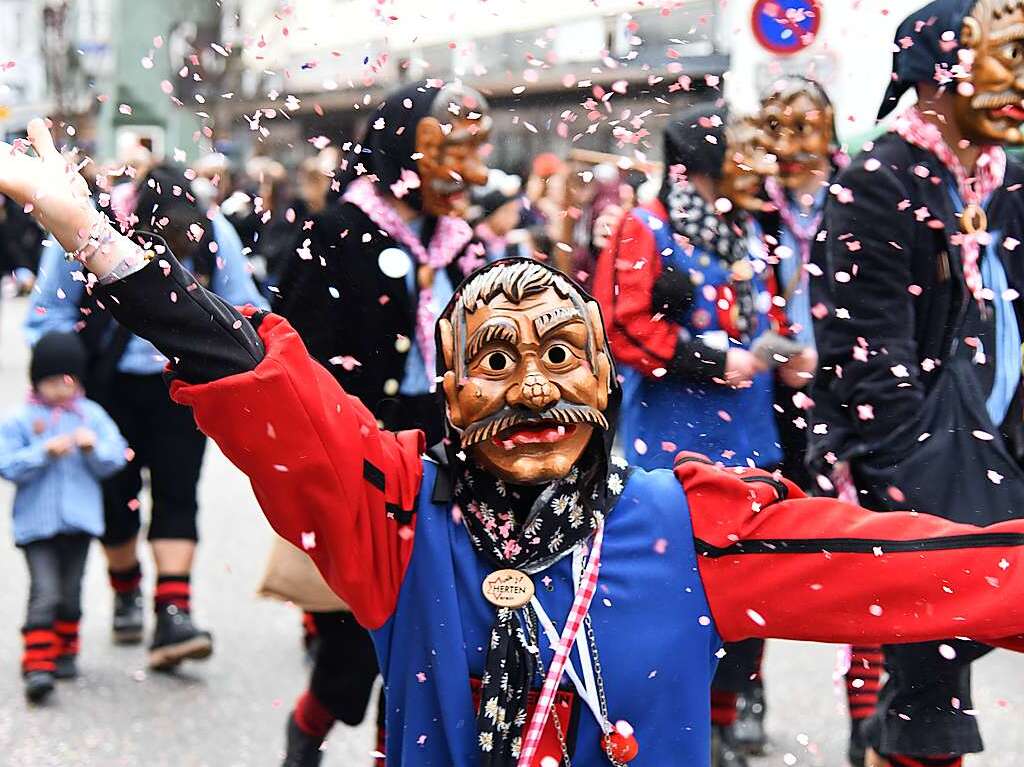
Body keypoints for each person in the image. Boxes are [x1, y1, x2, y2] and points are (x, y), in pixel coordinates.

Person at [10, 116, 1024, 767]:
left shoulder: (691, 524)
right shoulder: (395, 511)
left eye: (559, 354)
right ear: (447, 394)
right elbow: (265, 385)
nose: (532, 384)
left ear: (603, 377)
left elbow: (917, 567)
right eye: (495, 360)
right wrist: (91, 237)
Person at [809, 2, 1024, 766]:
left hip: (1004, 447)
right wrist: (914, 488)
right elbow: (865, 359)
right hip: (921, 464)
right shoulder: (877, 179)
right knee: (931, 681)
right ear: (941, 70)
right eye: (1009, 54)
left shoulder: (1009, 177)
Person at [272, 80, 491, 765]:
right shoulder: (338, 230)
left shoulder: (462, 241)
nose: (470, 173)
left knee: (435, 625)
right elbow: (297, 350)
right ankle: (308, 727)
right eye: (452, 152)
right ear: (406, 150)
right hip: (364, 438)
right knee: (356, 629)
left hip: (450, 442)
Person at [592, 104, 814, 767]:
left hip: (751, 435)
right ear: (706, 158)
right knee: (680, 593)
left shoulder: (749, 227)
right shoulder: (645, 226)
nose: (760, 163)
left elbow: (770, 308)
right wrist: (711, 360)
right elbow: (620, 324)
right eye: (746, 150)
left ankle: (729, 716)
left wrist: (789, 352)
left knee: (752, 580)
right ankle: (676, 726)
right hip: (673, 445)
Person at [24, 163, 268, 670]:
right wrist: (63, 373)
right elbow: (50, 308)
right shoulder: (86, 221)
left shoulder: (213, 228)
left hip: (185, 384)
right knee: (118, 496)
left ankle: (173, 612)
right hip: (107, 382)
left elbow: (242, 302)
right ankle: (127, 588)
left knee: (178, 492)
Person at [0, 331, 127, 703]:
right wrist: (42, 452)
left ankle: (65, 647)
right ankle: (37, 662)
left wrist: (92, 449)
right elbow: (6, 464)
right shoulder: (22, 420)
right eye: (50, 382)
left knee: (70, 592)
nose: (59, 389)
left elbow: (116, 457)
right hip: (36, 525)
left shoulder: (91, 416)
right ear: (36, 381)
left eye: (66, 381)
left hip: (80, 522)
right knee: (45, 591)